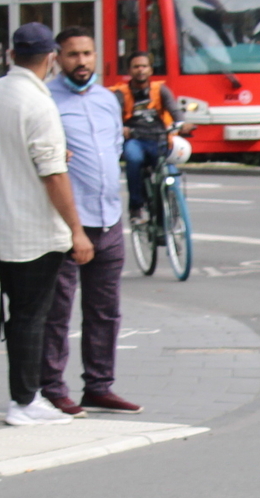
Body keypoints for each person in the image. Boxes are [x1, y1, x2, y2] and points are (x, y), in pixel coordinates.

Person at [0, 22, 90, 427]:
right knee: (32, 316)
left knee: (18, 311)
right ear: (51, 58)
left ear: (11, 55)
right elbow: (53, 173)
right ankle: (24, 400)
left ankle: (25, 396)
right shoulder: (38, 104)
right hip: (33, 227)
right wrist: (76, 229)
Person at [41, 27, 139, 416]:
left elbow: (114, 147)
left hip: (108, 218)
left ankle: (99, 385)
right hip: (68, 221)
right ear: (57, 58)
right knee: (58, 310)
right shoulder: (46, 99)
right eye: (72, 55)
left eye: (87, 53)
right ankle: (52, 387)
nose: (81, 62)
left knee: (105, 310)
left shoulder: (107, 99)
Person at [118, 52, 179, 225]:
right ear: (129, 70)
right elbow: (113, 116)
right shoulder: (121, 93)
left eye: (144, 66)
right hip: (135, 139)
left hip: (158, 138)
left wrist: (183, 122)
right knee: (134, 159)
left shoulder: (160, 90)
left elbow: (174, 109)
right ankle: (136, 207)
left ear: (151, 70)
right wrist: (121, 128)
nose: (140, 70)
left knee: (170, 169)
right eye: (136, 66)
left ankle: (172, 207)